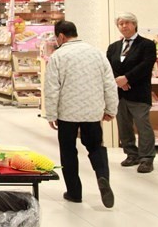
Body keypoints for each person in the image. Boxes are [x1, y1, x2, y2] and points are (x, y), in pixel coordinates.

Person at [45, 20, 118, 208]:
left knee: (68, 151)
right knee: (96, 147)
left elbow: (52, 88)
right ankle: (102, 177)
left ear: (61, 36)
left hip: (67, 113)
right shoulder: (96, 53)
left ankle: (74, 192)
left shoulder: (58, 56)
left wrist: (51, 114)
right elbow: (109, 83)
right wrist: (111, 109)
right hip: (93, 111)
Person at [106, 12, 157, 173]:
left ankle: (146, 158)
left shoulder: (147, 44)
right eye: (120, 23)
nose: (124, 26)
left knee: (143, 125)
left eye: (127, 23)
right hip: (119, 93)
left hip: (139, 92)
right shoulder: (114, 47)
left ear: (134, 24)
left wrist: (127, 78)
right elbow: (108, 67)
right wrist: (118, 81)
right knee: (124, 125)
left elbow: (146, 65)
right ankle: (131, 154)